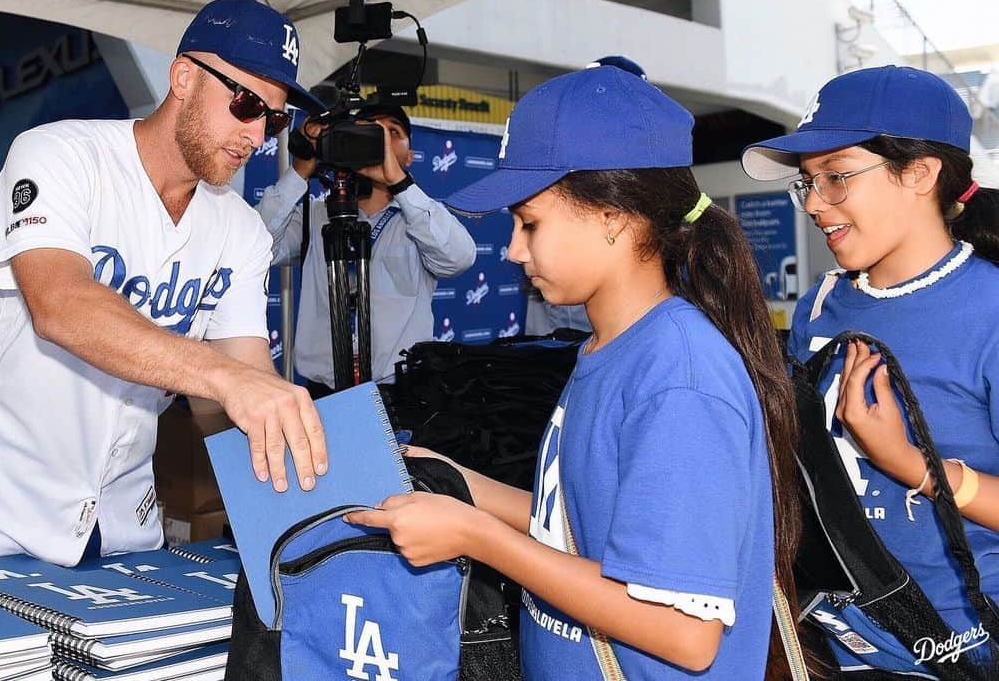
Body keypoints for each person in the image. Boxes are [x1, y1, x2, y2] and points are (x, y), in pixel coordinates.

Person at [347, 61, 802, 678]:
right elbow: (579, 522)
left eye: (530, 222)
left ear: (614, 215)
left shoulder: (679, 377)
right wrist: (461, 483)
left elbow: (685, 632)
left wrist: (478, 538)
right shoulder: (609, 350)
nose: (512, 249)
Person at [0, 0, 330, 566]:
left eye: (274, 119)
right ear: (184, 77)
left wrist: (313, 476)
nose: (256, 136)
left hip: (123, 521)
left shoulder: (241, 229)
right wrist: (223, 378)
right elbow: (60, 305)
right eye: (245, 103)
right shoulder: (59, 155)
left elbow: (243, 382)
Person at [743, 65, 999, 670]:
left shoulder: (988, 309)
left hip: (958, 647)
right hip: (836, 637)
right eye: (806, 183)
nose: (814, 204)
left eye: (836, 178)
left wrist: (911, 464)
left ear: (920, 173)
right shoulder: (821, 304)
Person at [256, 104, 476, 398]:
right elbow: (255, 246)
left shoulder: (421, 218)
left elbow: (459, 259)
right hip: (324, 393)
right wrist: (301, 169)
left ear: (409, 158)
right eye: (369, 129)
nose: (380, 137)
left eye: (393, 132)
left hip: (402, 391)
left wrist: (399, 183)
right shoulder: (317, 215)